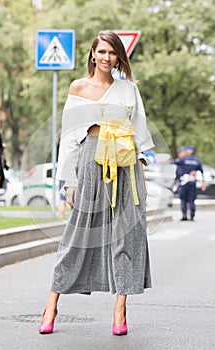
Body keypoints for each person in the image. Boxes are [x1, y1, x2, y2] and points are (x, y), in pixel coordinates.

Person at [38, 30, 154, 336]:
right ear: (92, 54)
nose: (106, 57)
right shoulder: (79, 87)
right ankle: (51, 304)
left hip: (125, 164)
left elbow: (140, 135)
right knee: (78, 234)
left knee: (126, 235)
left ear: (119, 56)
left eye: (112, 52)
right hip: (91, 159)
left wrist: (141, 179)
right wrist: (70, 181)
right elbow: (69, 138)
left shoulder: (128, 89)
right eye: (101, 51)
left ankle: (120, 308)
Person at [174, 145, 206, 221]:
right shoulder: (197, 160)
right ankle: (192, 215)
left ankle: (184, 215)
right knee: (191, 200)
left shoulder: (182, 160)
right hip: (192, 183)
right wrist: (203, 183)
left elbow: (174, 163)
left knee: (183, 200)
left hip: (183, 183)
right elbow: (202, 172)